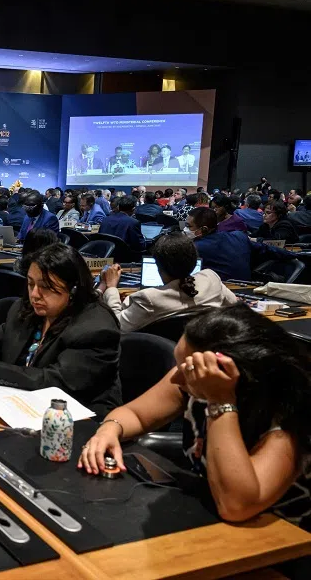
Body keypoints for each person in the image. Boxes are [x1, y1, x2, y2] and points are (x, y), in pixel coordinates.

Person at [78, 305, 311, 533]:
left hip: (282, 546)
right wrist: (109, 430)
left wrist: (220, 401)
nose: (176, 377)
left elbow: (236, 506)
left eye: (185, 369)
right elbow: (135, 414)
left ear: (229, 375)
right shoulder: (192, 381)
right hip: (207, 518)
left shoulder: (289, 417)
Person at [0, 243, 121, 417]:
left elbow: (55, 381)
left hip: (77, 419)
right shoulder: (27, 309)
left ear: (73, 290)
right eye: (31, 283)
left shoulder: (95, 328)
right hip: (20, 403)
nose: (34, 294)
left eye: (45, 287)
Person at [99, 233, 238, 332]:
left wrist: (111, 288)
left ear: (159, 269)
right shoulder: (211, 278)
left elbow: (117, 326)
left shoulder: (148, 298)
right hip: (205, 352)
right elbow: (236, 306)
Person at [188, 207, 295, 281]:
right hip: (247, 289)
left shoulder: (194, 247)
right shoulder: (239, 236)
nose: (185, 229)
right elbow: (270, 250)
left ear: (203, 229)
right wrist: (297, 255)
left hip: (218, 294)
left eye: (189, 226)